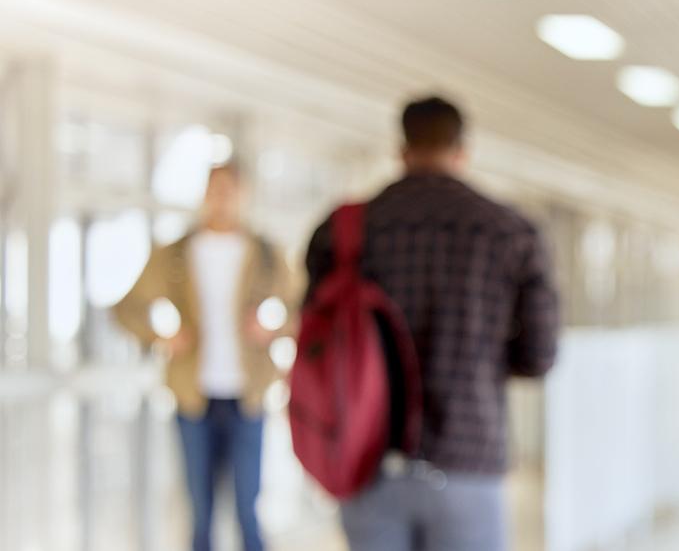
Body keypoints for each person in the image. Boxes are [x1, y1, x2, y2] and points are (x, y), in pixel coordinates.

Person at [304, 95, 559, 551]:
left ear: (401, 150)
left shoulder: (344, 230)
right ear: (462, 151)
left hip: (368, 455)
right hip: (469, 458)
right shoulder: (509, 231)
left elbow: (315, 342)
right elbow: (539, 357)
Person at [113, 162, 295, 551]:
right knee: (201, 511)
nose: (222, 197)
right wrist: (162, 335)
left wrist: (273, 330)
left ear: (244, 195)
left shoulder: (265, 253)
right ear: (205, 193)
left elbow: (302, 308)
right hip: (193, 397)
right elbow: (126, 308)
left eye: (230, 189)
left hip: (248, 398)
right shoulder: (175, 254)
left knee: (248, 509)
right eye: (215, 188)